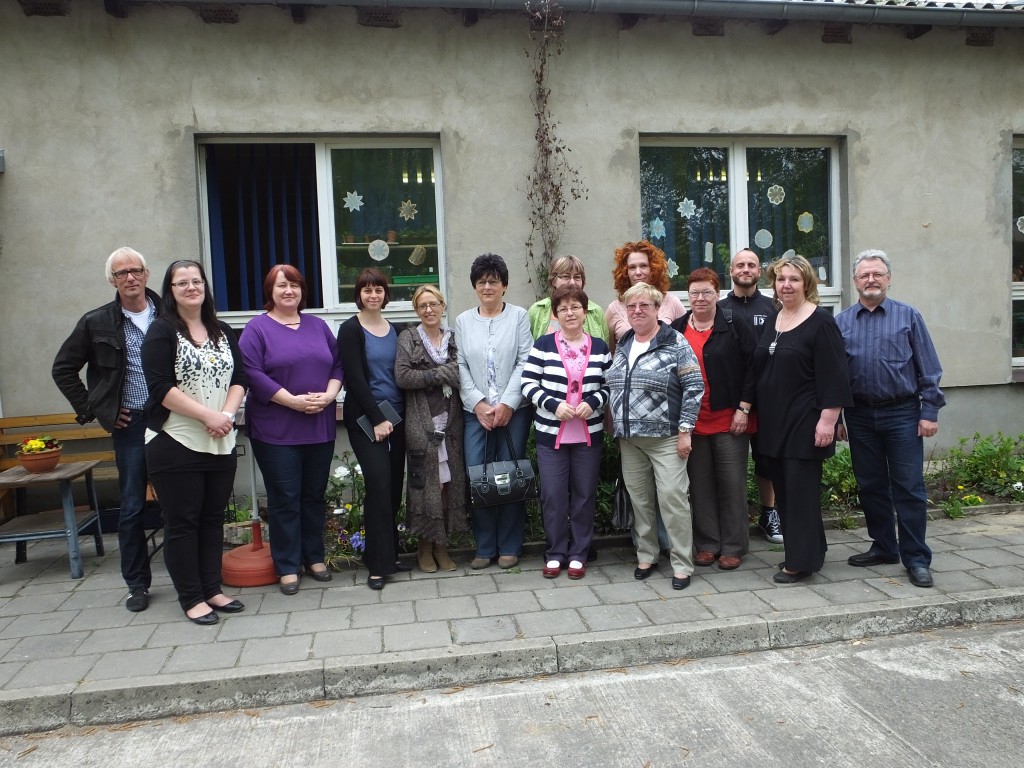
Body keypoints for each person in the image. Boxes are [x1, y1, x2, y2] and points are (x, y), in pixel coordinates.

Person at [52, 247, 162, 613]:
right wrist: (96, 410)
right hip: (130, 424)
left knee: (182, 501)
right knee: (131, 506)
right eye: (121, 273)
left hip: (173, 420)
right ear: (112, 281)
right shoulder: (96, 322)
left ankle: (188, 575)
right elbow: (63, 369)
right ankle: (137, 584)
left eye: (135, 270)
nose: (130, 278)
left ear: (146, 274)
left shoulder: (169, 314)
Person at [141, 260, 247, 624]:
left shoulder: (222, 331)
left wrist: (227, 416)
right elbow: (160, 389)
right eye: (181, 282)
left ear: (205, 286)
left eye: (196, 281)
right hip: (175, 440)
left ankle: (212, 589)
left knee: (212, 520)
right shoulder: (161, 331)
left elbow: (241, 376)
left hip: (220, 440)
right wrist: (207, 416)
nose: (191, 287)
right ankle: (191, 598)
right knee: (183, 522)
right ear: (170, 291)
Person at [836, 249, 945, 589]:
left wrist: (929, 411)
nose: (871, 279)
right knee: (870, 486)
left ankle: (916, 558)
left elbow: (929, 368)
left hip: (902, 412)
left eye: (877, 274)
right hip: (859, 415)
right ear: (855, 281)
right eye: (864, 275)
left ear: (888, 278)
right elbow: (834, 376)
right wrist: (838, 417)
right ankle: (884, 547)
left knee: (909, 487)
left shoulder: (908, 316)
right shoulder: (841, 322)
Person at [239, 265, 343, 595]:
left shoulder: (318, 325)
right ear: (270, 291)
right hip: (276, 430)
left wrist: (329, 396)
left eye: (295, 285)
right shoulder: (256, 329)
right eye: (282, 285)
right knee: (285, 498)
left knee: (313, 495)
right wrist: (292, 402)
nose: (289, 291)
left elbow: (338, 364)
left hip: (319, 425)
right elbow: (251, 373)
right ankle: (286, 565)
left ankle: (314, 557)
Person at [751, 254, 852, 584]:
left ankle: (800, 563)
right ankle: (810, 551)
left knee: (799, 493)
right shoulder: (775, 318)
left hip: (804, 422)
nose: (786, 285)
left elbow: (835, 375)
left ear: (806, 283)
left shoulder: (820, 321)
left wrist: (828, 420)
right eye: (781, 279)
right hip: (775, 422)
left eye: (793, 279)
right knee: (784, 491)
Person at [606, 282, 704, 590]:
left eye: (644, 306)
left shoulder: (674, 341)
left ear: (657, 309)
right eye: (631, 306)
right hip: (630, 439)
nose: (637, 311)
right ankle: (646, 555)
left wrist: (686, 430)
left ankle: (682, 563)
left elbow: (694, 386)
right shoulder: (623, 344)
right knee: (641, 501)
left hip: (666, 438)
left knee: (673, 499)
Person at [522, 284, 611, 580]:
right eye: (563, 308)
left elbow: (610, 386)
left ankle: (578, 553)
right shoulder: (544, 345)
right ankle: (556, 551)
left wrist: (593, 402)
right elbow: (528, 384)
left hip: (588, 434)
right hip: (552, 434)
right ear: (556, 315)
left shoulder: (599, 347)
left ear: (585, 312)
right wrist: (552, 404)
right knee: (553, 495)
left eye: (575, 307)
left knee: (584, 495)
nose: (569, 312)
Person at [671, 267, 757, 570]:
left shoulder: (735, 324)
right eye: (694, 292)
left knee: (732, 484)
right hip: (693, 422)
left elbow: (753, 368)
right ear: (687, 295)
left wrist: (744, 409)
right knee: (701, 485)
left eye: (707, 291)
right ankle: (707, 544)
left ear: (717, 294)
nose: (700, 298)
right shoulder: (678, 327)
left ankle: (733, 546)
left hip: (728, 419)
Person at [456, 253, 533, 570]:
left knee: (509, 474)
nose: (487, 287)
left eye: (493, 281)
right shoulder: (462, 321)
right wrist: (478, 403)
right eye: (481, 281)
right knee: (479, 476)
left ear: (504, 286)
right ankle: (484, 547)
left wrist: (506, 403)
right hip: (476, 413)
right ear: (475, 286)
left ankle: (510, 546)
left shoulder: (518, 317)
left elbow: (525, 360)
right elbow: (459, 364)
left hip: (513, 411)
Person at [337, 268, 409, 590]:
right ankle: (377, 567)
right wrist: (378, 419)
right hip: (366, 419)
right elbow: (354, 378)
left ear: (385, 294)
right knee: (378, 485)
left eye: (378, 289)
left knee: (393, 488)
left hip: (398, 416)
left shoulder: (396, 330)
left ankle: (387, 554)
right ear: (359, 294)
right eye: (367, 290)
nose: (373, 295)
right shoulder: (350, 330)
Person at [394, 285, 468, 573]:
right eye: (422, 305)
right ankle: (424, 547)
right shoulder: (408, 338)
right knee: (425, 485)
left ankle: (442, 545)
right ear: (416, 310)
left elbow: (462, 373)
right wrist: (438, 374)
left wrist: (431, 375)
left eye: (434, 304)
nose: (429, 310)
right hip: (420, 422)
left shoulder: (452, 339)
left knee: (448, 485)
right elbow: (402, 376)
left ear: (443, 306)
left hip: (451, 422)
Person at [718, 248, 782, 545]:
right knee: (728, 464)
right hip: (731, 399)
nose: (745, 269)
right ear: (730, 271)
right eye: (740, 265)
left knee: (767, 459)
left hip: (768, 398)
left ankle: (769, 513)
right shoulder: (718, 308)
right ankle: (732, 518)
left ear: (760, 271)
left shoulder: (774, 307)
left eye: (751, 265)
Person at [605, 240, 686, 354]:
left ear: (653, 269)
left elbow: (686, 344)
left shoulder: (672, 303)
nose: (638, 272)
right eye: (632, 267)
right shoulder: (614, 309)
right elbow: (610, 352)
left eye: (643, 266)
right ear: (625, 272)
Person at [527, 255, 609, 342]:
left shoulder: (596, 311)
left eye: (577, 277)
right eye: (566, 277)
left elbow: (605, 350)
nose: (572, 282)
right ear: (553, 280)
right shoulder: (537, 310)